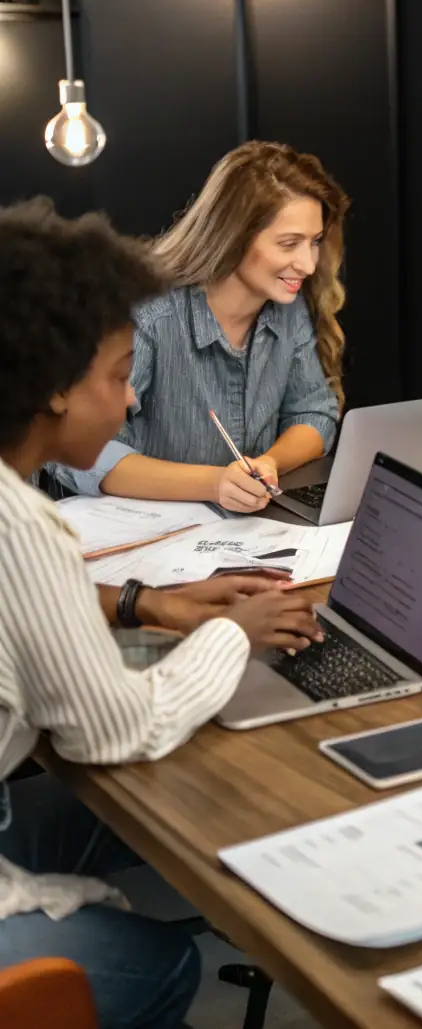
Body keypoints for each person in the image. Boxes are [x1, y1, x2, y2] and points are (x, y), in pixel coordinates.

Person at [0, 199, 321, 1029]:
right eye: (117, 376)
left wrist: (151, 602)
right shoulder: (22, 522)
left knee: (121, 813)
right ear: (52, 391)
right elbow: (113, 732)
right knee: (163, 963)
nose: (126, 399)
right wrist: (228, 634)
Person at [54, 141, 347, 512]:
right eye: (289, 244)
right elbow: (80, 451)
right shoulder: (147, 314)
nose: (307, 264)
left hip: (245, 533)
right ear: (234, 235)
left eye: (315, 242)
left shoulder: (288, 310)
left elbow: (314, 414)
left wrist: (268, 465)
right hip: (147, 536)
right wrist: (215, 483)